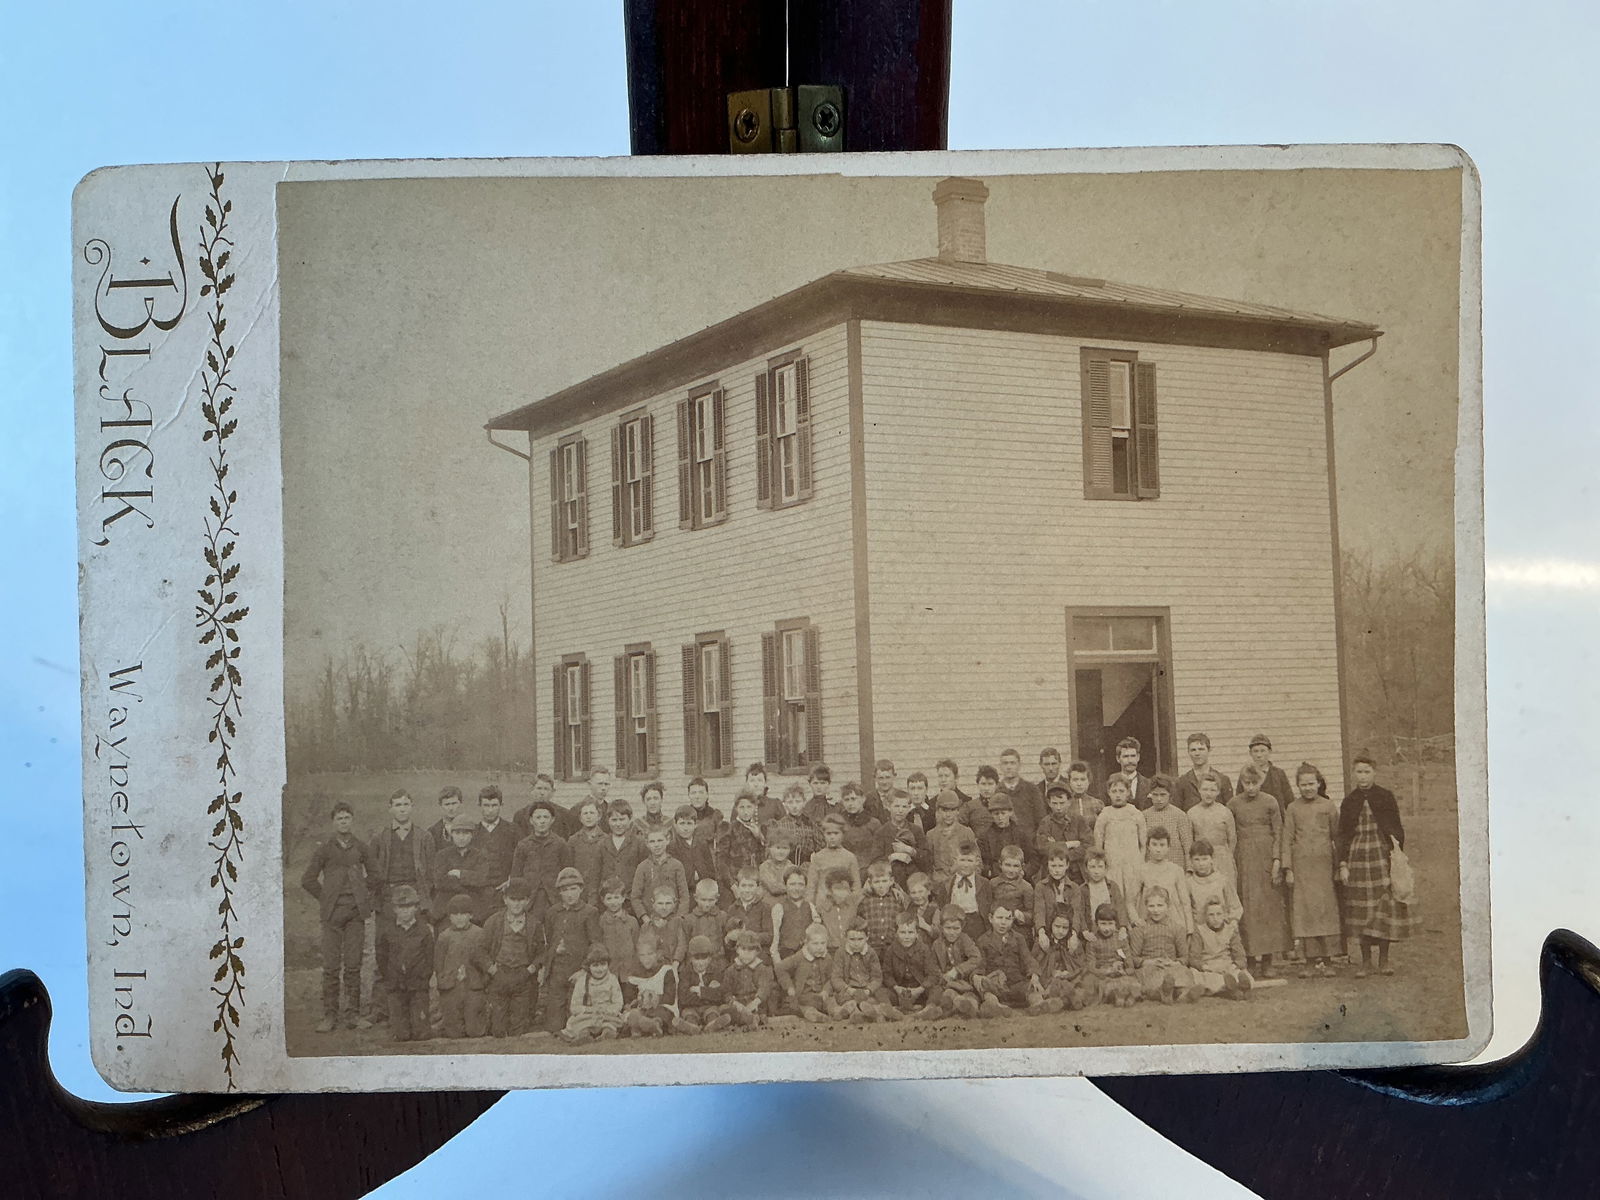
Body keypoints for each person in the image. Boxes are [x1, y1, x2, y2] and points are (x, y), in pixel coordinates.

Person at [1337, 755, 1418, 977]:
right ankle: (1365, 962)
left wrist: (1395, 853)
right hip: (1358, 859)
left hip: (1380, 856)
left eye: (1366, 772)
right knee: (1363, 909)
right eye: (1359, 772)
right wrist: (1343, 864)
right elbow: (1342, 835)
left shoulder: (1385, 797)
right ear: (1354, 774)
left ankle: (1384, 959)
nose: (1362, 776)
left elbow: (1397, 828)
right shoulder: (1349, 801)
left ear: (1374, 773)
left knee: (1383, 907)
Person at [301, 800, 376, 1032]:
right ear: (334, 822)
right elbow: (308, 880)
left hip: (355, 914)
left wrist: (363, 898)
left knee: (353, 966)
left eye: (347, 818)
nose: (344, 822)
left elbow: (376, 876)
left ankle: (353, 1015)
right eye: (339, 818)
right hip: (332, 915)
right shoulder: (324, 849)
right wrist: (326, 898)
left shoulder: (361, 848)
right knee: (331, 967)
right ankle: (330, 1016)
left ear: (352, 820)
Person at [368, 788, 434, 1024]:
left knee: (417, 952)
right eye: (397, 805)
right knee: (384, 950)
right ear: (390, 809)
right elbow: (374, 871)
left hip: (416, 897)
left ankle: (418, 1006)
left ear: (412, 807)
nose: (402, 809)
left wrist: (425, 901)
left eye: (406, 804)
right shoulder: (380, 837)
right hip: (389, 898)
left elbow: (430, 871)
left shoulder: (424, 837)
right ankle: (380, 1007)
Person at [1230, 764, 1289, 977]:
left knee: (1268, 909)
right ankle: (1249, 959)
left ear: (1261, 782)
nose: (1251, 788)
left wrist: (1276, 861)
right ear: (1242, 783)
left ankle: (1267, 960)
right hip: (1244, 859)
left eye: (1255, 783)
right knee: (1247, 908)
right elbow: (1230, 832)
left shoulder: (1270, 802)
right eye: (1247, 783)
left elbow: (1279, 832)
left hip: (1265, 858)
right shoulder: (1234, 804)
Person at [1283, 762, 1342, 976]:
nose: (1307, 788)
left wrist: (1339, 865)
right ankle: (1308, 960)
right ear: (1297, 786)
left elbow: (1337, 837)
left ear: (1318, 784)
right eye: (1303, 784)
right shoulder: (1292, 808)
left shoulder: (1327, 806)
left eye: (1311, 783)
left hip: (1323, 866)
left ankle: (1326, 959)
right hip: (1302, 868)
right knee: (1304, 911)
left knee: (1324, 910)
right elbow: (1287, 838)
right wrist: (1288, 868)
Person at [541, 866, 601, 1033]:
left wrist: (584, 970)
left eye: (573, 889)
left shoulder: (589, 912)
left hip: (578, 969)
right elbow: (549, 941)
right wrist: (548, 966)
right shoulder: (553, 912)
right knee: (554, 1024)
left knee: (576, 1016)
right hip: (557, 968)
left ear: (581, 889)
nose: (570, 894)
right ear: (559, 892)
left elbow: (595, 944)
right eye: (565, 890)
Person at [482, 878, 544, 1037]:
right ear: (505, 899)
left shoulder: (534, 924)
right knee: (498, 1030)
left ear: (528, 901)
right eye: (512, 899)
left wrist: (530, 970)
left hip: (522, 977)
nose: (516, 904)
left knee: (519, 1029)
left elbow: (542, 952)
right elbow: (479, 951)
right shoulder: (494, 922)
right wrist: (492, 970)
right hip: (500, 975)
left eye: (521, 900)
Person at [377, 884, 434, 1041]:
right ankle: (399, 1025)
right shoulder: (387, 931)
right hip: (396, 986)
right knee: (401, 1035)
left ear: (416, 908)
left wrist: (423, 977)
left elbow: (430, 959)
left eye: (409, 907)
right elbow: (381, 957)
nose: (405, 911)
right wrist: (390, 977)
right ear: (394, 909)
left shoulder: (424, 931)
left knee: (421, 1034)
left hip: (418, 986)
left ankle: (419, 1023)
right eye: (401, 907)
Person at [1129, 887, 1202, 1003]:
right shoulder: (1140, 929)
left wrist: (1173, 963)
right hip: (1149, 967)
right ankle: (1163, 993)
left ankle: (1183, 994)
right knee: (1151, 980)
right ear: (1146, 907)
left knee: (1182, 974)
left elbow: (1184, 957)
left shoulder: (1177, 928)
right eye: (1151, 906)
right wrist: (1150, 962)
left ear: (1168, 906)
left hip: (1171, 966)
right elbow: (1133, 958)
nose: (1156, 910)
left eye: (1160, 905)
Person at [973, 902, 1045, 1016]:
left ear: (1012, 920)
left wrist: (1034, 975)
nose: (1003, 923)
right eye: (999, 918)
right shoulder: (983, 940)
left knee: (1031, 989)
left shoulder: (1018, 938)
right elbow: (980, 964)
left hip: (1016, 983)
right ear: (991, 918)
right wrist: (977, 975)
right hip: (996, 985)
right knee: (986, 990)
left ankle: (1038, 1005)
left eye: (1008, 918)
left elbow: (1028, 959)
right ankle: (995, 1007)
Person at [434, 894, 488, 1039]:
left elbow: (485, 963)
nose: (459, 918)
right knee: (454, 1033)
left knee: (474, 1031)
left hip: (473, 986)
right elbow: (439, 966)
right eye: (455, 914)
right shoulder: (444, 937)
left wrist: (477, 979)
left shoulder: (479, 934)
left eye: (463, 914)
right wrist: (448, 979)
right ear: (449, 917)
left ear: (470, 915)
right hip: (451, 986)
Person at [1094, 776, 1146, 914]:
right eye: (1114, 791)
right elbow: (1098, 846)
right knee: (1115, 898)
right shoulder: (1104, 815)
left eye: (1122, 791)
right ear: (1108, 793)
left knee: (1133, 898)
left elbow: (1143, 844)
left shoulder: (1136, 814)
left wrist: (1139, 863)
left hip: (1132, 865)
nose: (1118, 795)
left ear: (1128, 792)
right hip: (1112, 864)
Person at [827, 917, 895, 1022]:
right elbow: (836, 978)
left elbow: (877, 977)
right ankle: (861, 1013)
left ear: (867, 937)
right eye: (852, 939)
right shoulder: (840, 953)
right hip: (850, 990)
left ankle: (877, 1011)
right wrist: (849, 989)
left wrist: (868, 990)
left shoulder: (871, 953)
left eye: (860, 939)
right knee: (843, 999)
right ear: (846, 937)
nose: (856, 943)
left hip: (868, 990)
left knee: (881, 995)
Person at [510, 799, 570, 917]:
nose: (542, 821)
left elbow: (566, 873)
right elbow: (516, 875)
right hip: (530, 899)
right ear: (531, 820)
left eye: (545, 817)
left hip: (554, 898)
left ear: (552, 820)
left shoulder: (560, 844)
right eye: (538, 818)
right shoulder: (523, 845)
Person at [432, 813, 492, 925]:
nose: (461, 837)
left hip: (473, 912)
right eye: (457, 833)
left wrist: (460, 874)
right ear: (452, 834)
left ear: (472, 835)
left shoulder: (480, 856)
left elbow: (482, 879)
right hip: (446, 911)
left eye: (465, 833)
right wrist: (469, 883)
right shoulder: (442, 855)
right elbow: (439, 882)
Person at [1188, 897, 1253, 999]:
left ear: (1225, 915)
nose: (1215, 918)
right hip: (1209, 967)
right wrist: (1208, 968)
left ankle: (1238, 987)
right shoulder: (1200, 931)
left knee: (1240, 975)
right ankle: (1233, 991)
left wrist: (1232, 967)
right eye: (1211, 915)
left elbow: (1240, 956)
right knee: (1208, 980)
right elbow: (1193, 958)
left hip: (1227, 966)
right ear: (1205, 916)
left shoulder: (1231, 930)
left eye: (1219, 914)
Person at [558, 945, 624, 1043]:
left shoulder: (612, 979)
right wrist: (589, 1010)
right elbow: (574, 1007)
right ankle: (584, 1035)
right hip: (588, 1015)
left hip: (606, 1015)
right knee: (580, 1023)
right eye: (595, 965)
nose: (600, 969)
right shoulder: (582, 981)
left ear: (608, 964)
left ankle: (607, 1034)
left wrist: (608, 1010)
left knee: (610, 1023)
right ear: (588, 967)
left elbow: (618, 1003)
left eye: (603, 964)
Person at [882, 912, 943, 1017]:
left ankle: (927, 1010)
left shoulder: (924, 949)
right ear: (896, 933)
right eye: (902, 932)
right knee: (881, 992)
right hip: (900, 991)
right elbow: (887, 974)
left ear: (916, 933)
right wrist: (897, 988)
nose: (906, 937)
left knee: (937, 990)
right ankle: (892, 1011)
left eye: (910, 932)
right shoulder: (891, 950)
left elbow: (933, 974)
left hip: (920, 991)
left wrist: (920, 989)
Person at [1134, 827, 1193, 933]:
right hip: (1148, 921)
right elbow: (1130, 900)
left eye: (1162, 845)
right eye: (1154, 844)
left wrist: (1189, 929)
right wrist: (1135, 920)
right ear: (1148, 846)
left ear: (1168, 847)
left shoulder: (1176, 870)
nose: (1158, 849)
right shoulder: (1141, 870)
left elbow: (1185, 902)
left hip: (1173, 922)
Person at [930, 904, 983, 1017]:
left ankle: (970, 1007)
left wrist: (958, 970)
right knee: (946, 994)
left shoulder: (964, 940)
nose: (952, 932)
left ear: (962, 928)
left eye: (956, 928)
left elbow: (976, 957)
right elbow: (933, 966)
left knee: (971, 996)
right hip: (947, 983)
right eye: (948, 928)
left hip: (966, 981)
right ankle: (951, 1005)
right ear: (941, 927)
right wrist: (942, 976)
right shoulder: (937, 944)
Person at [1083, 902, 1140, 1007]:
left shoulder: (1121, 939)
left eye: (1110, 924)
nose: (1107, 928)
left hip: (1119, 973)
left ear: (1116, 924)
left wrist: (1123, 971)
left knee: (1130, 982)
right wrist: (1105, 971)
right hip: (1102, 975)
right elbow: (1090, 966)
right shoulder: (1092, 940)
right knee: (1097, 984)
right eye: (1103, 924)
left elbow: (1129, 964)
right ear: (1096, 924)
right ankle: (1117, 996)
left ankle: (1128, 997)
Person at [775, 922, 834, 1022]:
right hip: (804, 996)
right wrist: (789, 987)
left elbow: (831, 977)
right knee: (802, 1005)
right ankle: (813, 1014)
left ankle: (837, 1011)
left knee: (832, 1001)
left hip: (821, 995)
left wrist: (826, 990)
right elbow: (779, 968)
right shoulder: (799, 957)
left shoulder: (827, 958)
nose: (819, 947)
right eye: (815, 943)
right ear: (806, 943)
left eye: (823, 943)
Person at [623, 933, 678, 1037]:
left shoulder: (666, 970)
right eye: (642, 955)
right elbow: (628, 998)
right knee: (633, 1014)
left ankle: (646, 1026)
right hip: (642, 1009)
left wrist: (655, 999)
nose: (646, 959)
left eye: (650, 954)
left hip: (661, 1007)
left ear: (658, 954)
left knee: (662, 1014)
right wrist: (635, 1003)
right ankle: (647, 1026)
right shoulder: (635, 974)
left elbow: (670, 998)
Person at [673, 935, 731, 1034]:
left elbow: (720, 994)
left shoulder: (716, 972)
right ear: (691, 958)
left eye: (704, 958)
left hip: (710, 1007)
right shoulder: (685, 973)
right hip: (691, 1007)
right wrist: (709, 993)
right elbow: (684, 997)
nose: (700, 963)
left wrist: (700, 991)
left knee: (713, 1012)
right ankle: (691, 1027)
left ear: (710, 958)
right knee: (689, 1014)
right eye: (696, 958)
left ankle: (713, 1025)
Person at [631, 826, 691, 921]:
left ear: (667, 840)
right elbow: (635, 897)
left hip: (673, 918)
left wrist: (679, 918)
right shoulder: (642, 867)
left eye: (660, 840)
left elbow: (684, 896)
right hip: (650, 919)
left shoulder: (676, 865)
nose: (656, 845)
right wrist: (645, 917)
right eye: (652, 841)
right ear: (647, 844)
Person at [1187, 775, 1238, 884]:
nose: (1208, 793)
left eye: (1212, 790)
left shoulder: (1225, 812)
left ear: (1218, 791)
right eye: (1205, 789)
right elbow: (1189, 841)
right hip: (1201, 858)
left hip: (1222, 858)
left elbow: (1232, 839)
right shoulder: (1192, 813)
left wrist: (1228, 857)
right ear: (1199, 789)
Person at [935, 844, 992, 942]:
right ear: (955, 860)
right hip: (955, 923)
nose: (965, 865)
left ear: (977, 862)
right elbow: (941, 906)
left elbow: (989, 904)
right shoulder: (947, 884)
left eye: (970, 861)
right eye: (962, 860)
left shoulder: (984, 883)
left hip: (976, 923)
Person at [1039, 912, 1096, 1010]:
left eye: (1065, 928)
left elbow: (1079, 963)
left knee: (1084, 980)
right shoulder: (1044, 942)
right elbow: (1039, 963)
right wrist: (1053, 972)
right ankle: (1066, 1000)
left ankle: (1065, 1000)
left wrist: (1068, 973)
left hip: (1069, 975)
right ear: (1051, 925)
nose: (1060, 931)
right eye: (1057, 926)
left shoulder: (1072, 942)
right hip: (1050, 977)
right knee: (1058, 984)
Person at [722, 930, 775, 1027]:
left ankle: (754, 1018)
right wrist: (735, 1003)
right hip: (739, 1004)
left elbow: (764, 988)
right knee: (725, 1009)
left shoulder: (762, 969)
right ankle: (748, 1019)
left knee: (760, 1009)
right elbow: (727, 992)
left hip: (755, 1004)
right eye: (743, 949)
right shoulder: (730, 970)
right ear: (737, 949)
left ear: (757, 951)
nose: (746, 953)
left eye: (750, 950)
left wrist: (755, 1002)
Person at [597, 801, 646, 907]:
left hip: (631, 900)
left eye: (622, 819)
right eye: (614, 820)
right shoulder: (601, 844)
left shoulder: (638, 843)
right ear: (608, 820)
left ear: (630, 819)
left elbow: (644, 873)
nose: (618, 824)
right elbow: (595, 875)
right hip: (608, 900)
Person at [1032, 844, 1079, 952]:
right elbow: (1039, 911)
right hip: (1047, 932)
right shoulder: (1041, 886)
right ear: (1048, 865)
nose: (1056, 870)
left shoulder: (1074, 888)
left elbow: (1076, 912)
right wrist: (1041, 932)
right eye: (1053, 866)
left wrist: (1074, 933)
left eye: (1060, 866)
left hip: (1067, 932)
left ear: (1067, 865)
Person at [769, 867, 821, 964]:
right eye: (792, 884)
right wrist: (778, 964)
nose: (796, 888)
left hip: (806, 956)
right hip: (786, 955)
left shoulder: (810, 907)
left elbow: (816, 933)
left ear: (805, 886)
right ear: (785, 886)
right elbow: (775, 939)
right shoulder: (779, 908)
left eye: (800, 884)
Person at [1187, 839, 1243, 927]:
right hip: (1199, 931)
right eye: (1197, 859)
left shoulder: (1222, 880)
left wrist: (1233, 923)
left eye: (1205, 859)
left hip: (1222, 929)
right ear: (1191, 861)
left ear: (1212, 859)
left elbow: (1235, 907)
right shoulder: (1189, 883)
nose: (1201, 863)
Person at [475, 785, 519, 895]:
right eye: (486, 805)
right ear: (479, 806)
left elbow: (521, 859)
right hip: (478, 892)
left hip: (506, 891)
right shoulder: (472, 832)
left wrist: (512, 880)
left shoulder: (513, 830)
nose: (490, 810)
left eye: (494, 805)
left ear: (501, 805)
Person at [881, 788, 929, 889]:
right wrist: (892, 857)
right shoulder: (881, 832)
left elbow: (927, 859)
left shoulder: (916, 830)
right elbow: (875, 862)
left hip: (913, 881)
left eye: (904, 806)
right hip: (890, 881)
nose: (900, 810)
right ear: (889, 807)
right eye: (896, 806)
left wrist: (911, 851)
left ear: (909, 808)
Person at [806, 813, 860, 903]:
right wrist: (810, 907)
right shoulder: (818, 857)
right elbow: (811, 887)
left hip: (844, 904)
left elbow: (856, 886)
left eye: (836, 833)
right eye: (829, 833)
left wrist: (852, 905)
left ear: (843, 834)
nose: (832, 837)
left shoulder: (850, 857)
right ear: (824, 834)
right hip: (823, 904)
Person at [595, 876, 639, 984]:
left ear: (623, 898)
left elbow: (637, 945)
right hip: (609, 973)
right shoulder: (601, 922)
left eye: (616, 897)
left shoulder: (632, 921)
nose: (613, 902)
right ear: (603, 900)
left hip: (629, 973)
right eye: (609, 898)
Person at [565, 798, 608, 908]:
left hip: (601, 892)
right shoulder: (573, 840)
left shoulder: (606, 840)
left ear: (599, 816)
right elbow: (569, 868)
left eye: (592, 813)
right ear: (580, 817)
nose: (588, 816)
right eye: (585, 813)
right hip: (580, 893)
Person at [721, 867, 773, 957]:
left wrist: (746, 936)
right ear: (738, 886)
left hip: (758, 955)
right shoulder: (732, 909)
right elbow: (728, 939)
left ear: (758, 887)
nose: (747, 890)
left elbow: (769, 936)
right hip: (739, 955)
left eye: (751, 886)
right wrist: (729, 938)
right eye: (744, 886)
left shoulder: (764, 908)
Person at [1143, 777, 1192, 872]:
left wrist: (1189, 868)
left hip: (1175, 864)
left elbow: (1187, 844)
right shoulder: (1144, 815)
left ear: (1170, 795)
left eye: (1163, 795)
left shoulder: (1180, 815)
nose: (1159, 799)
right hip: (1152, 866)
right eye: (1155, 795)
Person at [1175, 733, 1234, 811]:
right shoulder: (1182, 782)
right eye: (1193, 750)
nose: (1197, 753)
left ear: (1209, 750)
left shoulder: (1223, 780)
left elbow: (1229, 811)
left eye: (1201, 749)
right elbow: (1178, 812)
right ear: (1188, 752)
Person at [1073, 848, 1128, 931]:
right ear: (1086, 869)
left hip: (1110, 927)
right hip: (1092, 929)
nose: (1096, 871)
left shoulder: (1112, 886)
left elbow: (1120, 908)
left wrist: (1123, 927)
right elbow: (1080, 912)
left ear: (1106, 868)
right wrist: (1084, 930)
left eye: (1100, 867)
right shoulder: (1082, 889)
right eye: (1092, 867)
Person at [979, 793, 1032, 877]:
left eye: (1003, 813)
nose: (1000, 817)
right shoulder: (984, 837)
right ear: (991, 814)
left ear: (1010, 812)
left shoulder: (1021, 834)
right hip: (994, 878)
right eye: (996, 814)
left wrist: (1025, 872)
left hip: (1018, 876)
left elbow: (1032, 858)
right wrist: (988, 872)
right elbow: (982, 861)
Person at [724, 789, 767, 889]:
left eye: (749, 807)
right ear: (736, 809)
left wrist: (759, 837)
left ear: (755, 808)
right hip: (736, 879)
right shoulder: (729, 829)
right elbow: (722, 860)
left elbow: (765, 857)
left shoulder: (760, 828)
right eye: (742, 807)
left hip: (756, 878)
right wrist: (732, 884)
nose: (746, 811)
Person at [637, 884, 689, 967]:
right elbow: (643, 948)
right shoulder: (646, 927)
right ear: (653, 904)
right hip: (653, 968)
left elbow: (682, 945)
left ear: (674, 903)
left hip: (675, 967)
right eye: (660, 903)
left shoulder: (679, 922)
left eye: (668, 903)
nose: (664, 907)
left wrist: (676, 961)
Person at [766, 784, 817, 868]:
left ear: (804, 802)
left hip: (807, 866)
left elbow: (819, 849)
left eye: (798, 801)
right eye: (790, 802)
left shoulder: (811, 824)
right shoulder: (779, 825)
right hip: (785, 866)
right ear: (784, 804)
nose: (794, 806)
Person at [1240, 734, 1294, 813]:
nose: (1259, 755)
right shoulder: (1245, 774)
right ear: (1250, 753)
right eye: (1255, 751)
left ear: (1269, 752)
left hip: (1277, 819)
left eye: (1262, 751)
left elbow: (1289, 800)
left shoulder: (1279, 774)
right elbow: (1240, 800)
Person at [926, 790, 970, 886]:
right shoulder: (931, 835)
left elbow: (976, 861)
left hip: (962, 882)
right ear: (938, 811)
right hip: (939, 885)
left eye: (952, 810)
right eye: (945, 810)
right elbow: (928, 865)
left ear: (958, 811)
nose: (948, 815)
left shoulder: (966, 832)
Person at [856, 860, 903, 953]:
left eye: (884, 881)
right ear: (870, 883)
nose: (881, 885)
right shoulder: (864, 901)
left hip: (892, 948)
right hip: (871, 948)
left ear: (891, 881)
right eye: (877, 882)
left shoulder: (897, 899)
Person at [995, 748, 1044, 833]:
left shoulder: (1031, 789)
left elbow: (1041, 818)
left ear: (1019, 765)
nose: (1009, 767)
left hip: (1029, 841)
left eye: (1012, 763)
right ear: (1000, 766)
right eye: (1005, 763)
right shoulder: (996, 791)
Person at [990, 846, 1035, 937]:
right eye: (1007, 865)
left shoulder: (1026, 887)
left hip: (1017, 930)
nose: (1011, 870)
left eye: (1015, 866)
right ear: (1000, 864)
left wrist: (1021, 915)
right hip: (996, 928)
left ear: (1022, 867)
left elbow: (1032, 914)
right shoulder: (993, 883)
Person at [816, 869, 862, 950]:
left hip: (850, 949)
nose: (841, 893)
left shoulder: (853, 906)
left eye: (845, 889)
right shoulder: (823, 907)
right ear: (830, 890)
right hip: (830, 950)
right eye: (837, 888)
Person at [670, 804, 713, 889]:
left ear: (695, 824)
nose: (685, 828)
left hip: (703, 889)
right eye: (682, 823)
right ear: (675, 824)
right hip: (683, 890)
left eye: (689, 823)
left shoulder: (702, 844)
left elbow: (711, 870)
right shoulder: (672, 847)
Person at [1107, 737, 1156, 810]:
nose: (1130, 761)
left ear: (1138, 757)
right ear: (1118, 759)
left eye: (1133, 756)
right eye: (1125, 756)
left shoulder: (1149, 784)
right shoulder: (1110, 784)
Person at [684, 878, 726, 958]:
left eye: (711, 900)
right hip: (698, 961)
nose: (707, 904)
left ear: (717, 898)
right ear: (696, 898)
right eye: (703, 900)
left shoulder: (722, 916)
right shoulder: (689, 919)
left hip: (718, 960)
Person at [963, 766, 999, 838]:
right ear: (978, 785)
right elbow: (959, 827)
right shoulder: (970, 806)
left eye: (990, 784)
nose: (986, 788)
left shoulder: (1003, 805)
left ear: (997, 785)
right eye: (983, 784)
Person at [905, 872, 941, 943]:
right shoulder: (911, 907)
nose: (917, 896)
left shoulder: (934, 910)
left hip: (928, 948)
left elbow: (938, 934)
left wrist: (926, 926)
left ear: (928, 891)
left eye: (921, 891)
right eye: (913, 893)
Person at [427, 786, 464, 851]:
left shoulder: (473, 829)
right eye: (447, 804)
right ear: (441, 806)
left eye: (454, 803)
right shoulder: (433, 832)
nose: (451, 808)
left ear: (460, 803)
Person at [745, 762, 781, 826]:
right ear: (747, 784)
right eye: (752, 780)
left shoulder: (775, 804)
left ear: (765, 783)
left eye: (760, 780)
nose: (756, 784)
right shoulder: (740, 805)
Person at [867, 759, 897, 824]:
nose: (884, 782)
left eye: (888, 777)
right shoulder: (868, 799)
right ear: (875, 778)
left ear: (894, 777)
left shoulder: (901, 796)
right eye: (881, 778)